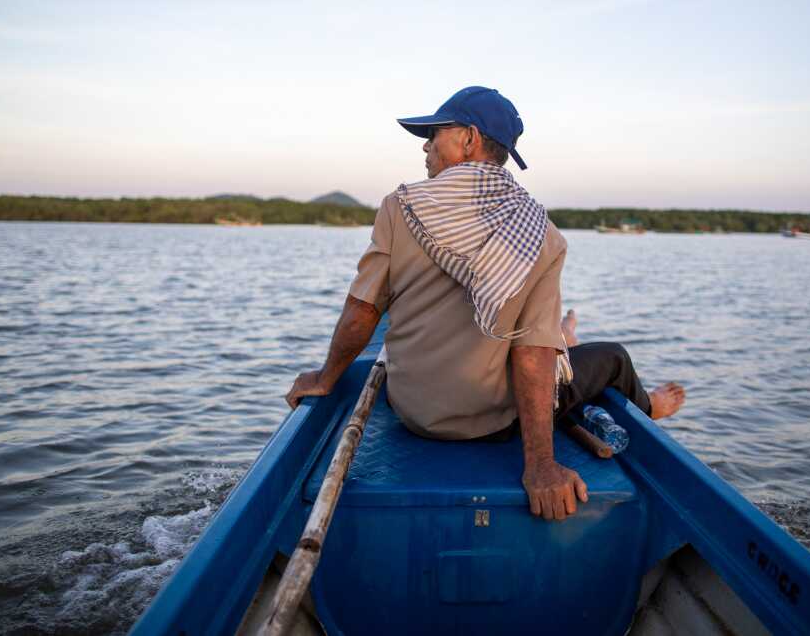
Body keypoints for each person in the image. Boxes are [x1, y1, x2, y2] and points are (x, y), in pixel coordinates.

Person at [285, 86, 685, 522]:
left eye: (435, 132)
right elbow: (532, 352)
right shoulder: (539, 231)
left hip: (413, 412)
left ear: (469, 139)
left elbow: (363, 310)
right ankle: (648, 408)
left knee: (558, 344)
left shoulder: (400, 207)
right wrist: (540, 466)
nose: (425, 144)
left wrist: (326, 378)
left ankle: (570, 344)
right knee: (611, 357)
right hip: (491, 423)